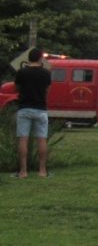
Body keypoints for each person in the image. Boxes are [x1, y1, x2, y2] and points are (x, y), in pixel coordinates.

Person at [12, 48, 52, 178]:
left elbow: (16, 88)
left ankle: (23, 171)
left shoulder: (22, 72)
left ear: (28, 58)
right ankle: (42, 171)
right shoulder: (45, 73)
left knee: (23, 139)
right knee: (41, 139)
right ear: (40, 58)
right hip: (40, 108)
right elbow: (48, 89)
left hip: (24, 108)